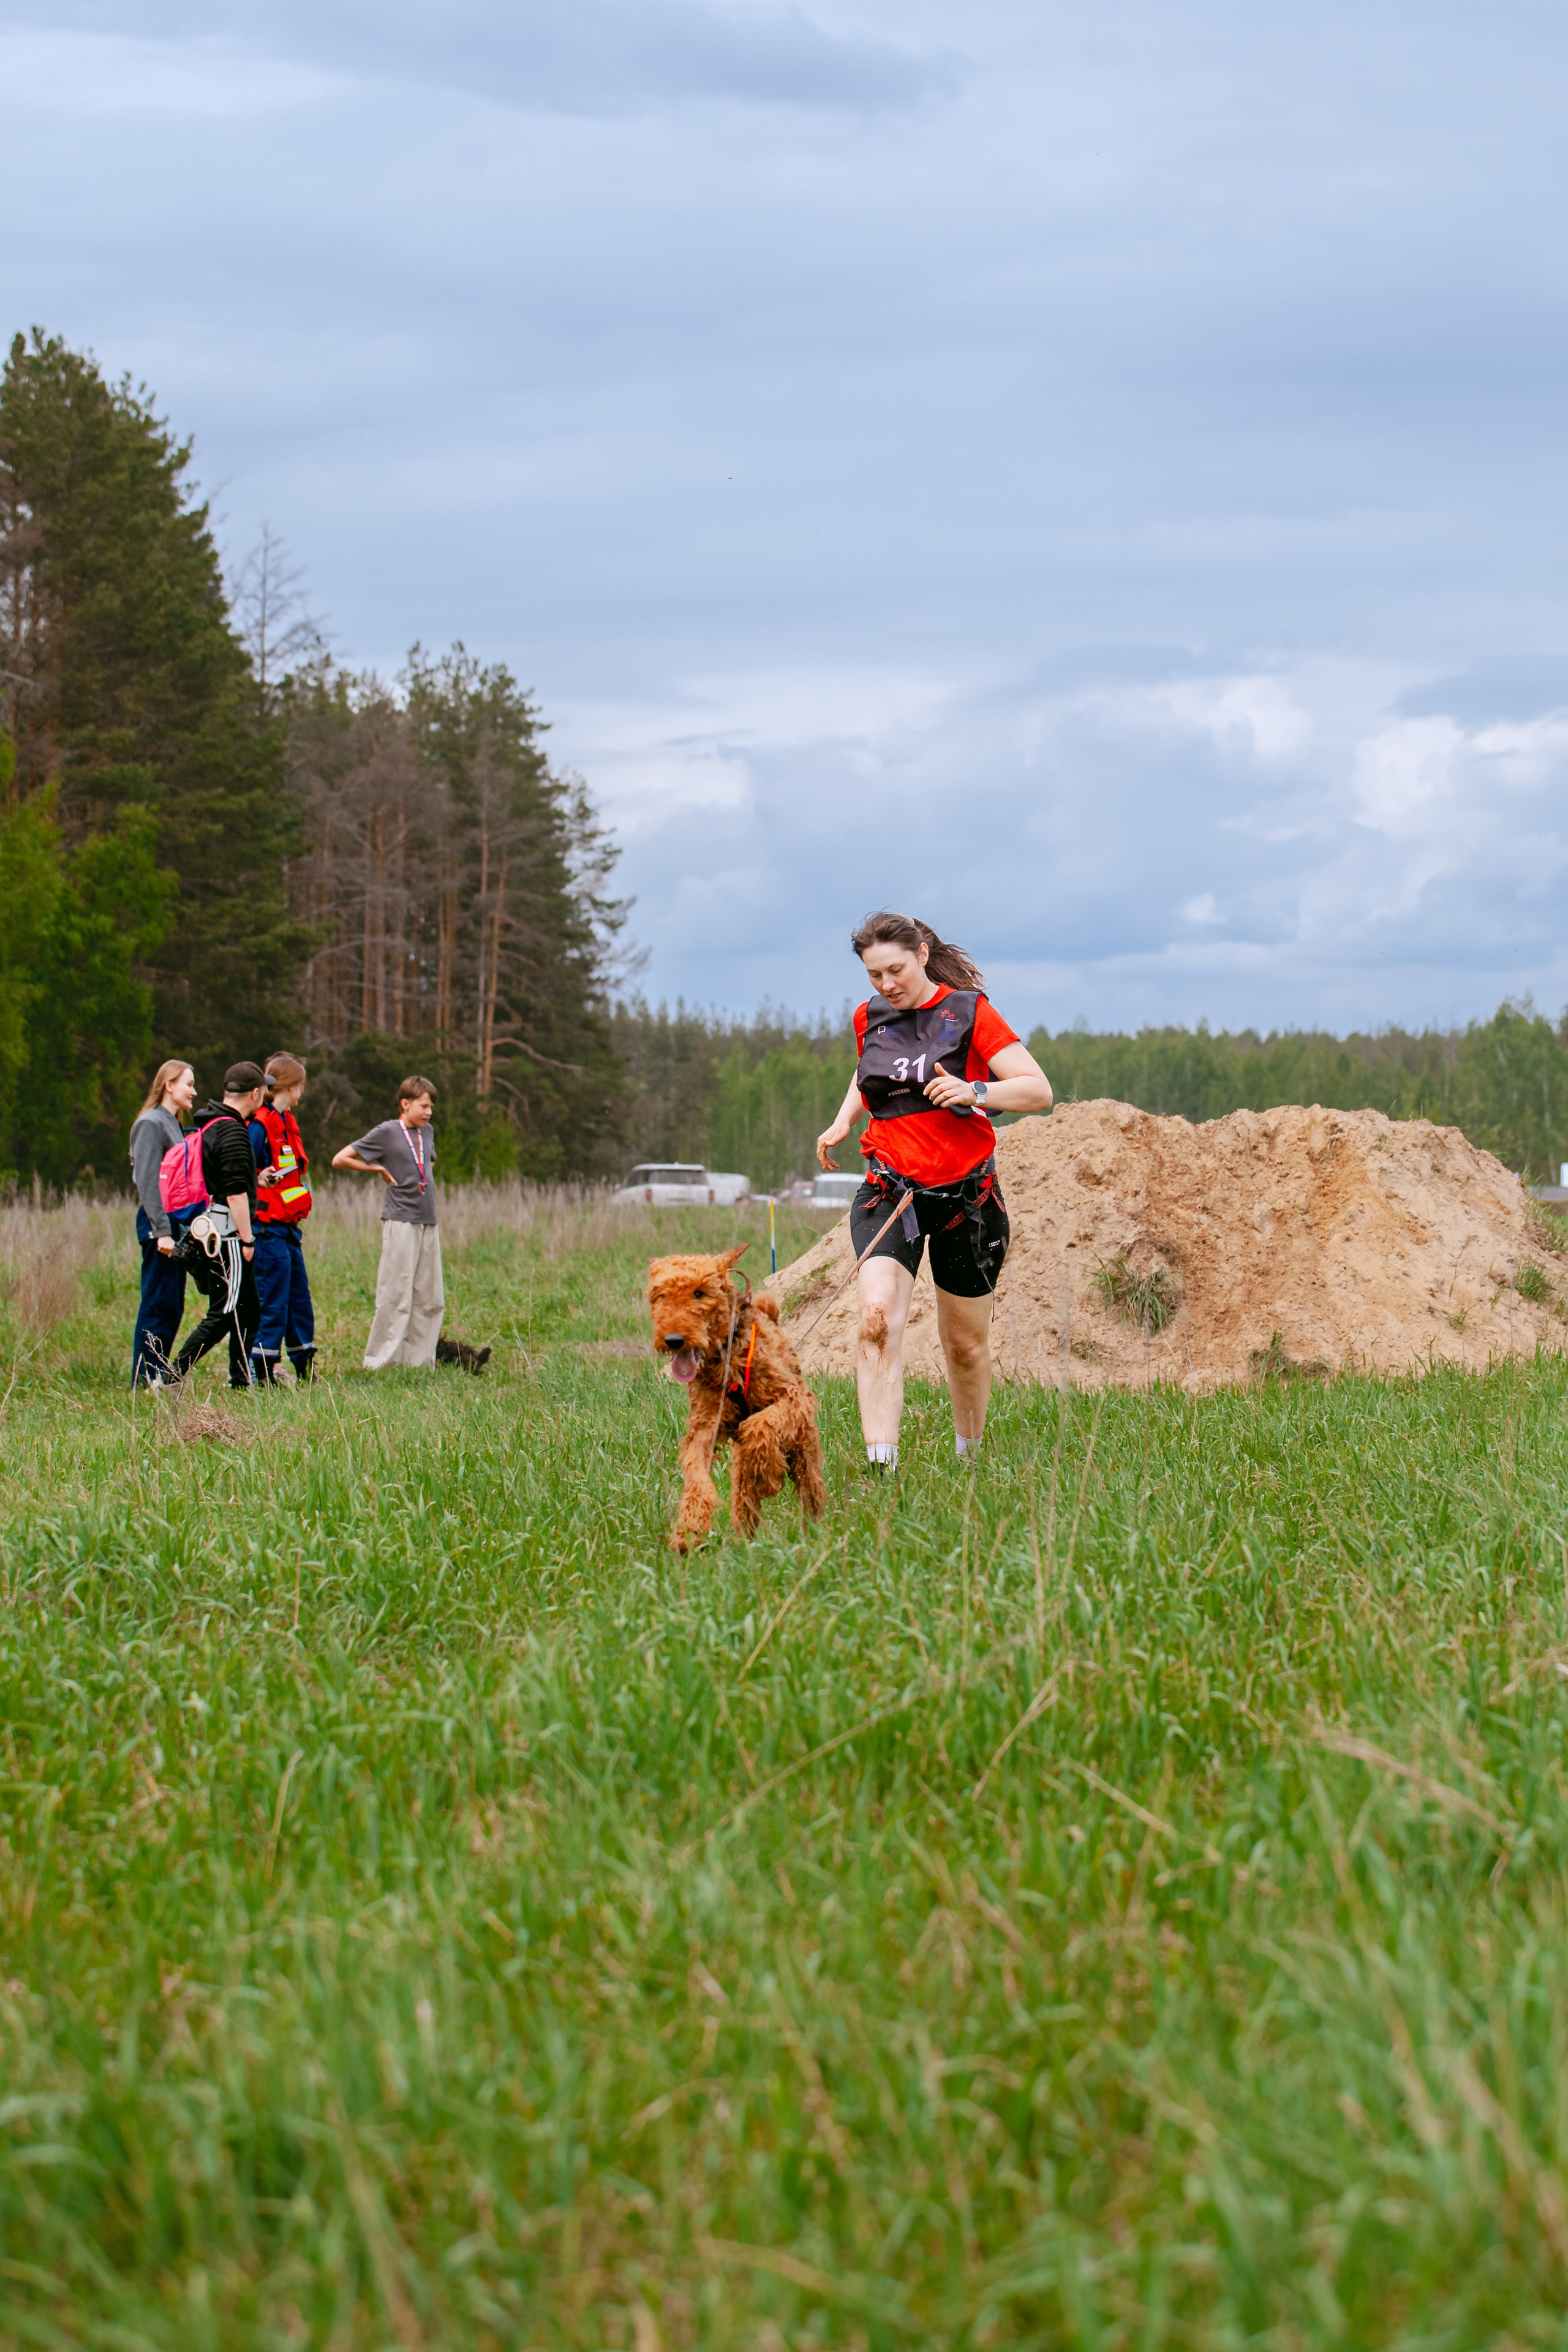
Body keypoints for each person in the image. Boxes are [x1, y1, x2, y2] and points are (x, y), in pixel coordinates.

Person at [815, 911, 1053, 1470]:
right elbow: (869, 1070)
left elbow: (1038, 1091)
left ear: (922, 954)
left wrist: (975, 1091)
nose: (886, 985)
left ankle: (969, 1456)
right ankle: (882, 1468)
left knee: (965, 1346)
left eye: (894, 971)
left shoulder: (969, 1014)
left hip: (964, 1201)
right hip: (889, 1191)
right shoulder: (868, 1017)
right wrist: (844, 1120)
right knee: (875, 1321)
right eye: (875, 976)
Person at [331, 1076, 445, 1370]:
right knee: (396, 1292)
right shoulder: (387, 1131)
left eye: (431, 1106)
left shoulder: (428, 1132)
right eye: (423, 1106)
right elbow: (340, 1159)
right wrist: (376, 1168)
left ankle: (419, 1361)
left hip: (428, 1220)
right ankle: (381, 1362)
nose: (429, 1112)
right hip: (400, 1221)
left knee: (429, 1296)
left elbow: (428, 1162)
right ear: (405, 1104)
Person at [170, 1063, 267, 1390]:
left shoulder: (213, 1124)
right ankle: (172, 1376)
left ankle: (242, 1379)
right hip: (228, 1235)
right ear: (255, 1093)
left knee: (249, 1308)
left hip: (214, 1224)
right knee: (225, 1311)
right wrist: (248, 1240)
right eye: (263, 1091)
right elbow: (236, 1193)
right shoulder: (234, 1131)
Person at [247, 1051, 317, 1385]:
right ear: (290, 1086)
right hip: (267, 1229)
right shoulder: (259, 1126)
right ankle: (261, 1372)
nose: (302, 1092)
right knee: (273, 1301)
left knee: (298, 1299)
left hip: (289, 1228)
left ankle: (306, 1366)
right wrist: (261, 1175)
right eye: (300, 1085)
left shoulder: (288, 1124)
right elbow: (244, 1170)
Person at [128, 1057, 197, 1386]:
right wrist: (162, 1231)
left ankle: (157, 1374)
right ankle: (144, 1380)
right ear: (169, 1084)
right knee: (157, 1302)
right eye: (189, 1084)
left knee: (172, 1304)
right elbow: (147, 1181)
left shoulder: (173, 1122)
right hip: (159, 1224)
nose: (194, 1092)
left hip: (174, 1224)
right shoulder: (151, 1123)